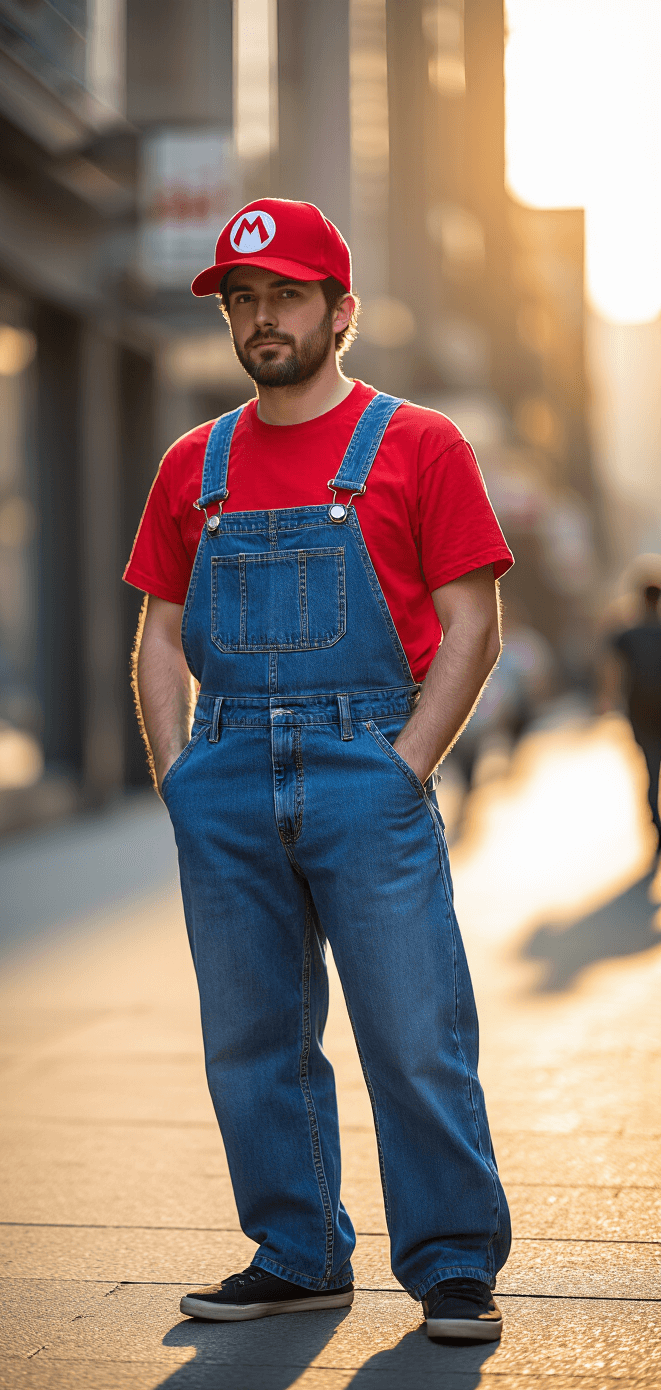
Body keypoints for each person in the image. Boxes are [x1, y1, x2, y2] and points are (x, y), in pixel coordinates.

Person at [124, 198, 513, 1343]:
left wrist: (404, 766)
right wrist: (178, 775)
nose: (259, 319)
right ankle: (297, 1254)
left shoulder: (420, 443)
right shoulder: (193, 461)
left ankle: (450, 1265)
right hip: (228, 770)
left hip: (366, 767)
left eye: (284, 296)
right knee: (251, 1039)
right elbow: (157, 628)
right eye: (241, 300)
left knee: (412, 1029)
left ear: (341, 311)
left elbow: (473, 624)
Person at [605, 583, 661, 856]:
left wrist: (607, 699)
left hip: (640, 708)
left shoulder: (629, 634)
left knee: (650, 769)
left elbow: (611, 667)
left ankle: (656, 827)